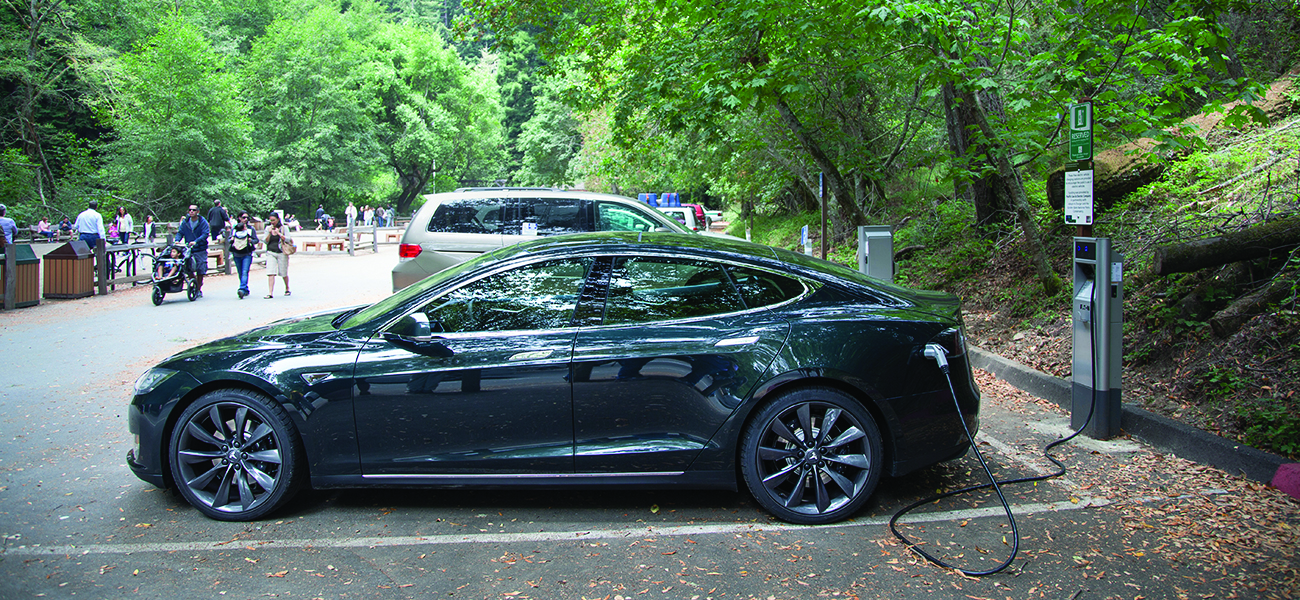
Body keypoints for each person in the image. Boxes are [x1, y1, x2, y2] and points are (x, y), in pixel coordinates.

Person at [176, 204, 210, 297]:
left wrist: (196, 241)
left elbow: (205, 234)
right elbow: (180, 232)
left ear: (197, 212)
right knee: (188, 267)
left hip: (200, 248)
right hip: (189, 248)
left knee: (200, 267)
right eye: (190, 210)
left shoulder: (202, 222)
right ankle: (194, 283)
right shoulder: (186, 222)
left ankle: (198, 288)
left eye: (194, 210)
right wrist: (177, 240)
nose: (191, 211)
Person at [229, 210, 260, 299]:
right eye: (243, 217)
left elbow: (256, 240)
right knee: (240, 272)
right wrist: (232, 240)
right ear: (239, 218)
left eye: (247, 217)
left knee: (245, 271)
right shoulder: (234, 229)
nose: (245, 219)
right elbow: (229, 240)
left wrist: (251, 241)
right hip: (236, 253)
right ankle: (245, 288)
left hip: (247, 253)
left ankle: (242, 289)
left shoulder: (250, 229)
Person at [263, 212, 291, 298]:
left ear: (278, 219)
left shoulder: (284, 228)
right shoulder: (268, 228)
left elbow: (288, 239)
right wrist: (269, 233)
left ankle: (287, 288)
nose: (272, 222)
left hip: (281, 252)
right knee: (271, 272)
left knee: (283, 272)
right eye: (271, 220)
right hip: (271, 252)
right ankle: (270, 292)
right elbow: (265, 241)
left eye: (273, 220)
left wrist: (279, 234)